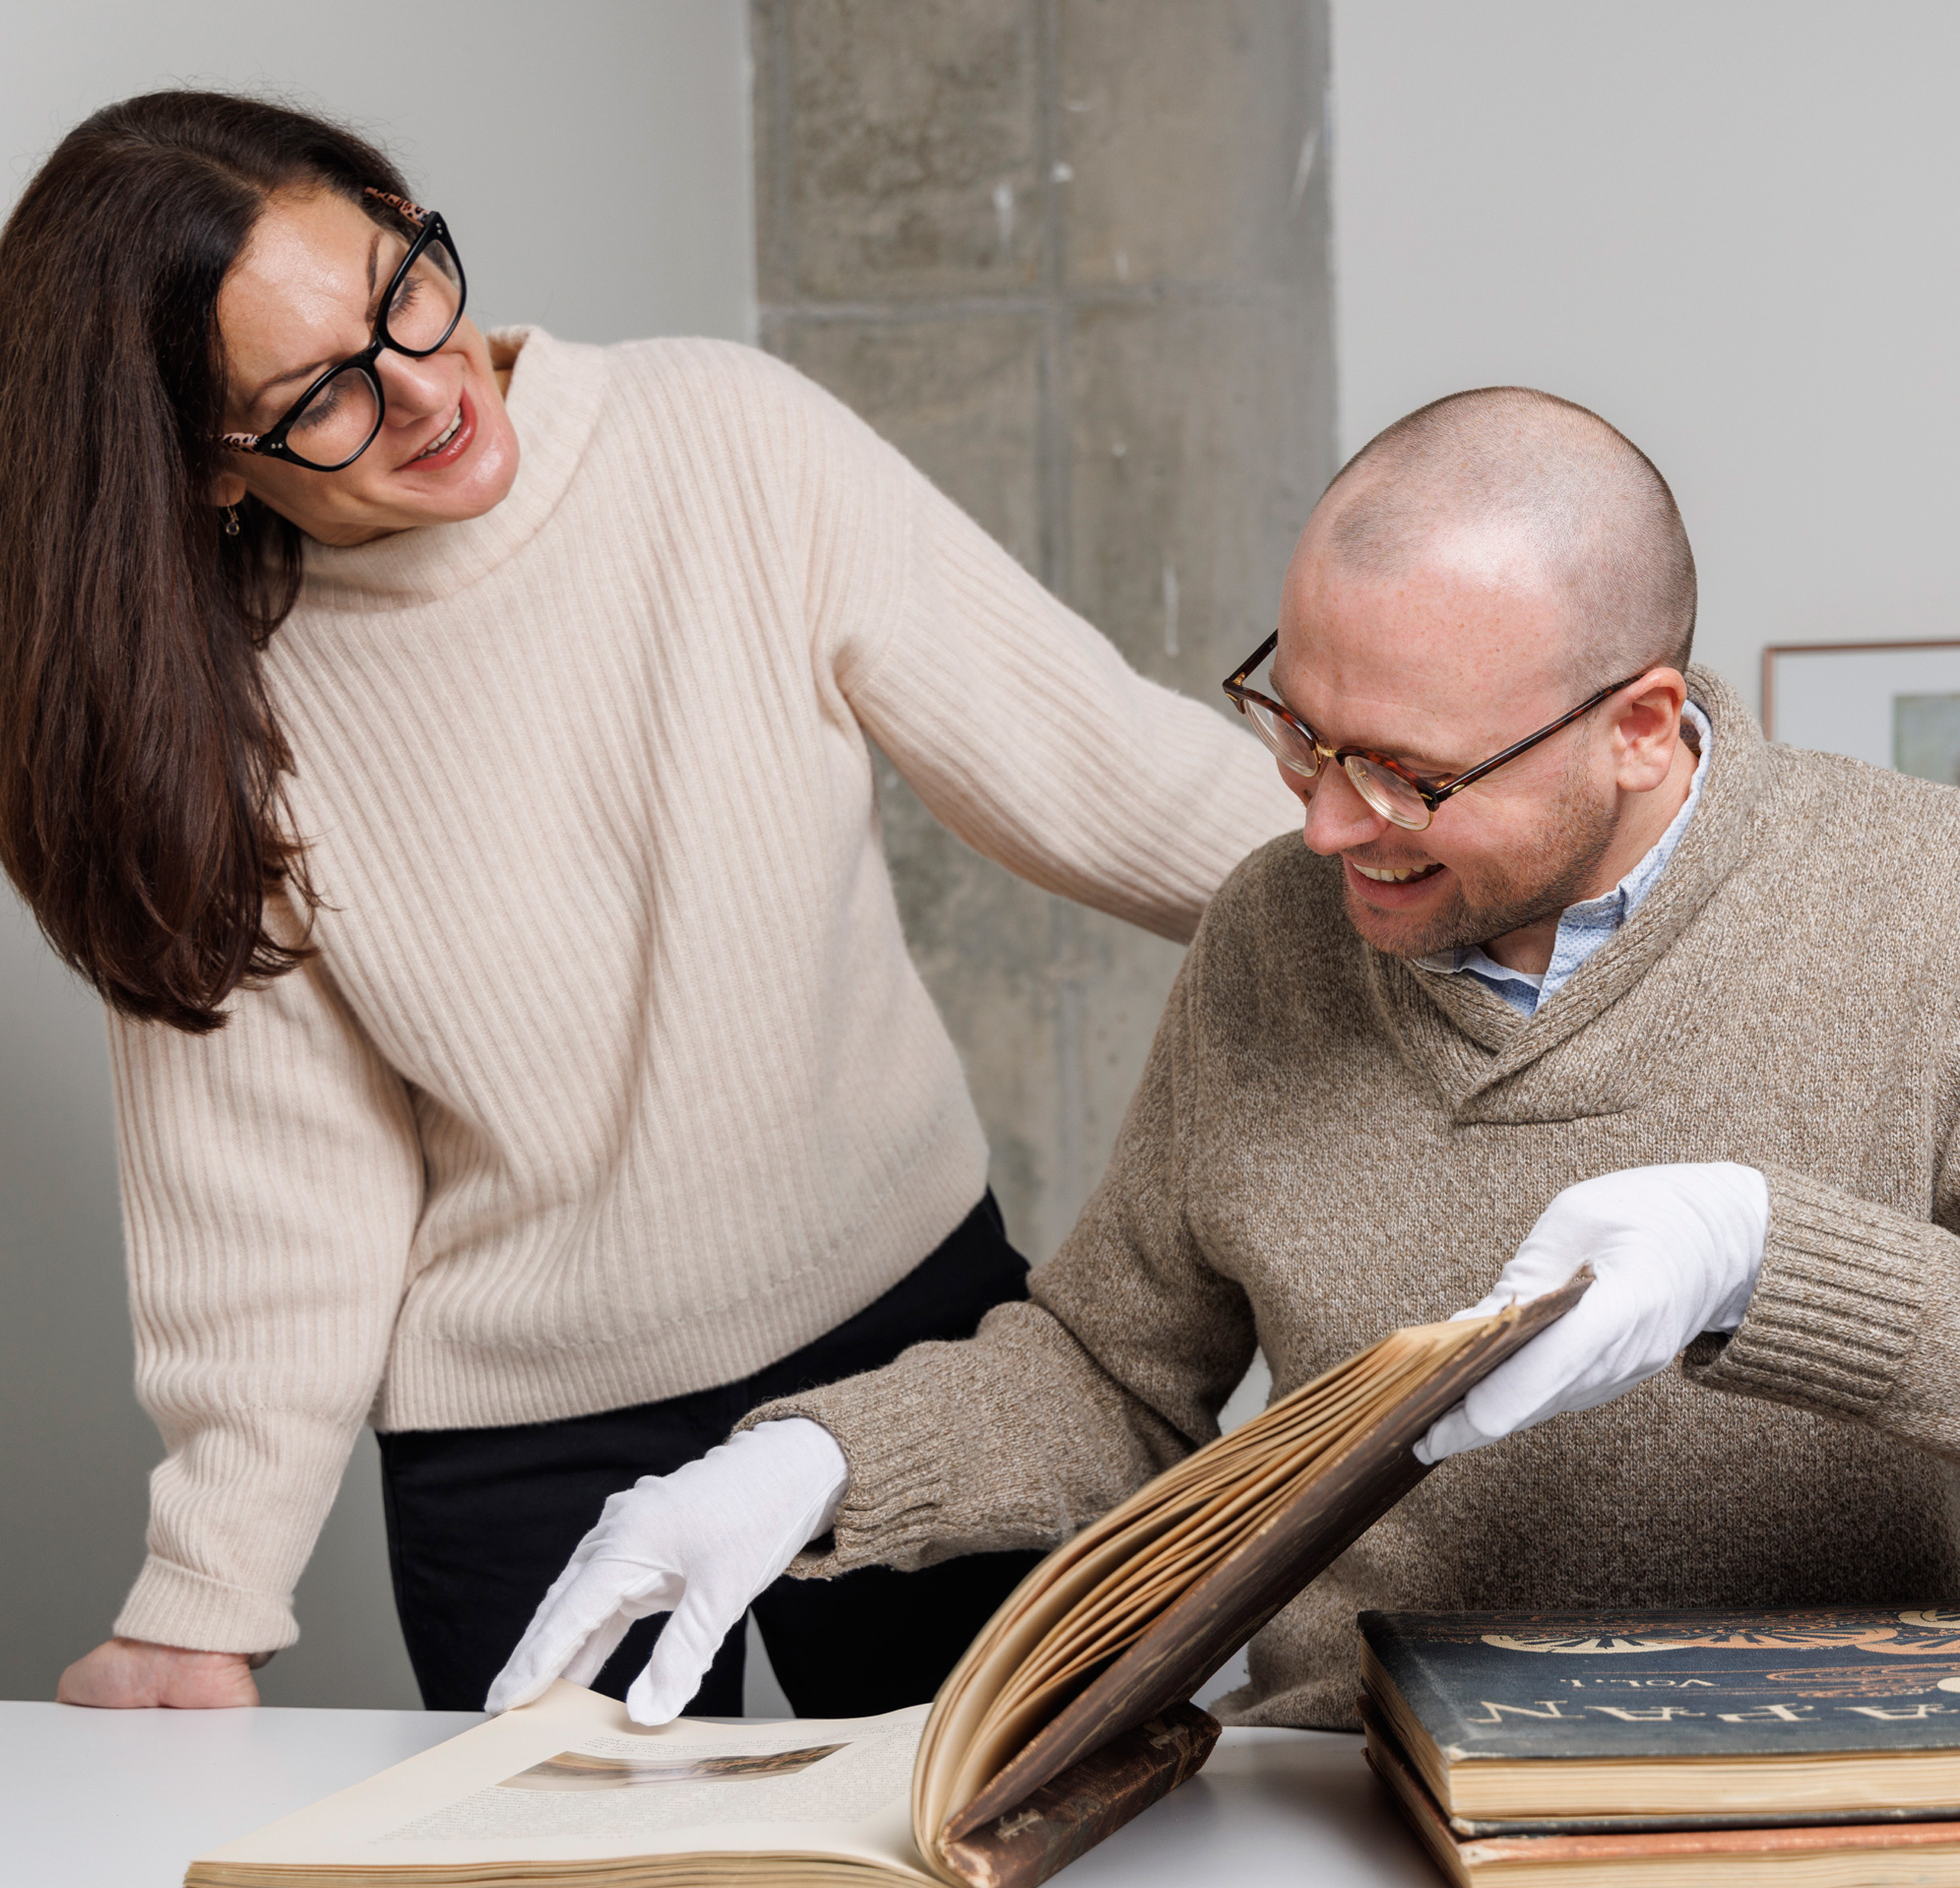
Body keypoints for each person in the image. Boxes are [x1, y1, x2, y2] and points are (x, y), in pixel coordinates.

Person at [0, 91, 1299, 1715]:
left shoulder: (725, 437)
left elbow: (1104, 768)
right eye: (320, 395)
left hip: (914, 1352)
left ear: (406, 211)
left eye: (403, 290)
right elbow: (276, 1198)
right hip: (519, 1443)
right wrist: (205, 1596)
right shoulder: (210, 716)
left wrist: (1458, 867)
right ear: (205, 471)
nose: (422, 388)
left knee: (1032, 1868)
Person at [492, 384, 1960, 1733]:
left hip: (1832, 1791)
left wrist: (1770, 1264)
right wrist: (820, 1462)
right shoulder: (1277, 929)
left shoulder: (1922, 905)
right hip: (1349, 1786)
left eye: (1406, 772)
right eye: (1300, 731)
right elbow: (1113, 1371)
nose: (1325, 825)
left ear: (1639, 728)